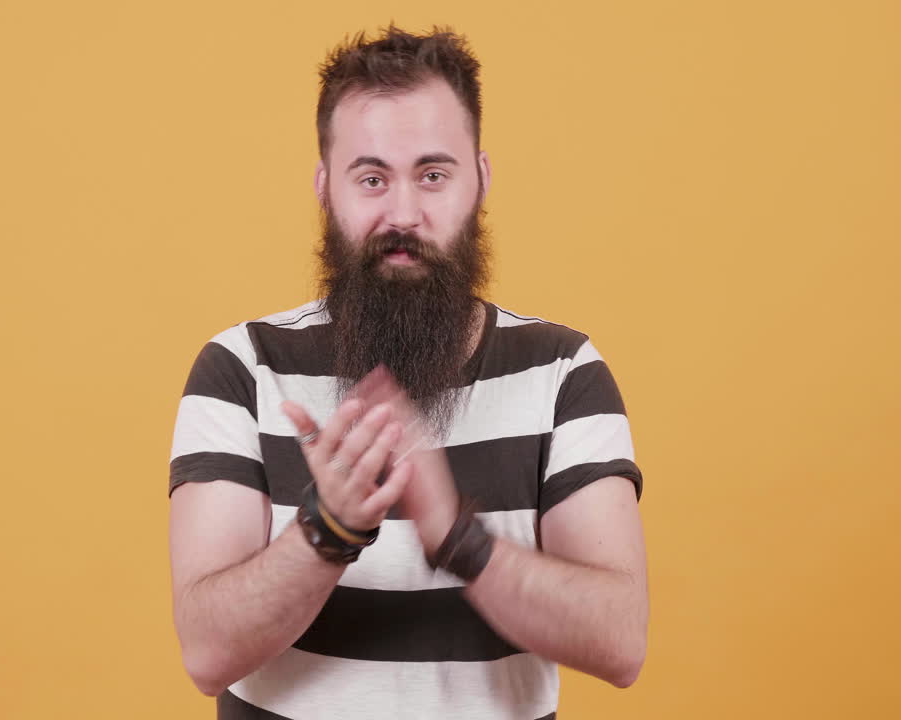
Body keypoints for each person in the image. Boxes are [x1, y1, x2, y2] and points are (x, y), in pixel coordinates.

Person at [167, 24, 647, 720]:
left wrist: (458, 537)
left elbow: (620, 641)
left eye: (432, 174)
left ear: (480, 180)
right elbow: (207, 652)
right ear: (325, 189)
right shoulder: (242, 370)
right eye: (370, 178)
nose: (403, 213)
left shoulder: (564, 373)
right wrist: (328, 529)